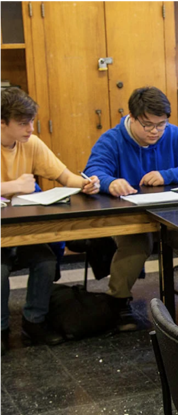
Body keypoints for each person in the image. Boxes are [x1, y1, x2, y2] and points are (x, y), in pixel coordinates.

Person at [84, 87, 178, 331]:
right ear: (132, 117)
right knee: (136, 244)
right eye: (148, 125)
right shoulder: (112, 139)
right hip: (132, 215)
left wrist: (167, 175)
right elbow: (93, 171)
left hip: (174, 211)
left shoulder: (174, 135)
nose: (155, 131)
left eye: (161, 124)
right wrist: (110, 182)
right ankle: (119, 302)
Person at [0, 88, 99, 352]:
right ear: (2, 123)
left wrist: (86, 184)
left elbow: (65, 176)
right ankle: (0, 328)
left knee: (45, 262)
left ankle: (34, 322)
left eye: (32, 121)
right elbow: (12, 187)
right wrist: (10, 186)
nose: (30, 128)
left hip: (22, 231)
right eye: (22, 123)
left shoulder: (30, 143)